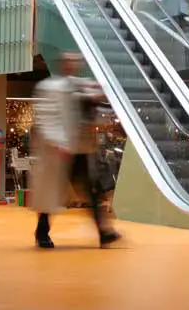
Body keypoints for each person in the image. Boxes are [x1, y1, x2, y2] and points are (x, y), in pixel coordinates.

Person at [30, 52, 121, 249]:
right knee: (52, 195)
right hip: (59, 151)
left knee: (92, 192)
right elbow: (46, 119)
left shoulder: (80, 85)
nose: (73, 64)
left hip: (79, 150)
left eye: (76, 61)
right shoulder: (49, 88)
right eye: (70, 61)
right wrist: (56, 142)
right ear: (62, 64)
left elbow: (93, 108)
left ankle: (104, 232)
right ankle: (42, 231)